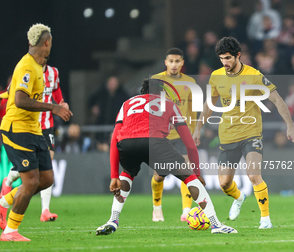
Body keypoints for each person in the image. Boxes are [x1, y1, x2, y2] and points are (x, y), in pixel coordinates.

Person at [96, 78, 237, 235]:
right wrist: (196, 173)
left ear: (143, 92)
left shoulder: (127, 103)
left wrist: (114, 175)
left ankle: (113, 220)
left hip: (126, 143)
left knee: (127, 174)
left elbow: (115, 137)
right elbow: (190, 144)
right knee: (189, 177)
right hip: (154, 142)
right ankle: (216, 224)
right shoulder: (169, 104)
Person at [193, 36, 294, 229]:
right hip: (227, 135)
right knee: (224, 183)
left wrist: (290, 125)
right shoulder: (216, 76)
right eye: (221, 58)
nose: (224, 62)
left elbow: (276, 99)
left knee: (253, 175)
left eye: (228, 58)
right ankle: (239, 197)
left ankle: (265, 219)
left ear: (238, 56)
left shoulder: (254, 75)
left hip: (251, 133)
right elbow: (210, 104)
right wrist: (198, 127)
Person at [0, 23, 72, 242]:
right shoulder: (28, 66)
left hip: (34, 130)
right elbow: (21, 99)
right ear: (47, 42)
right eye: (51, 42)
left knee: (46, 179)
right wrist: (53, 107)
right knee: (30, 182)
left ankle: (3, 202)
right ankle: (10, 232)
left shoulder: (37, 66)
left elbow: (16, 91)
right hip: (17, 129)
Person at [0, 58, 68, 222]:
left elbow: (55, 89)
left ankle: (45, 210)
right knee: (29, 173)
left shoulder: (53, 72)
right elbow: (15, 89)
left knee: (46, 168)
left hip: (46, 125)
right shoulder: (27, 68)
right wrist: (4, 95)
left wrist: (62, 102)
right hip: (29, 125)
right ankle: (8, 182)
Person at [150, 48, 198, 222]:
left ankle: (186, 211)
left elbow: (192, 111)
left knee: (186, 171)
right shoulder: (156, 80)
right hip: (161, 135)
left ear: (182, 63)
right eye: (171, 61)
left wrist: (192, 132)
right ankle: (157, 208)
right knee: (159, 175)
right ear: (165, 62)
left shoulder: (190, 82)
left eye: (177, 61)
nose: (174, 65)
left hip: (181, 134)